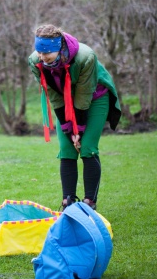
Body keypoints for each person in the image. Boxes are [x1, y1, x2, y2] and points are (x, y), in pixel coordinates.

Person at [28, 24, 121, 211]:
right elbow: (53, 96)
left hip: (95, 97)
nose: (42, 57)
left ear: (59, 48)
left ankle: (89, 204)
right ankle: (68, 202)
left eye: (46, 53)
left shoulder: (85, 57)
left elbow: (83, 97)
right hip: (64, 100)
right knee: (67, 149)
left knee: (87, 148)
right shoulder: (35, 62)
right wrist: (67, 128)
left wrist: (78, 129)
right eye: (39, 51)